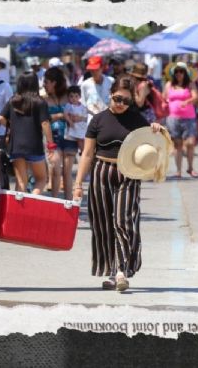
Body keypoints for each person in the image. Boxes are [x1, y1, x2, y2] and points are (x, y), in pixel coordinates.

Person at [72, 76, 163, 291]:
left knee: (123, 220)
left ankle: (122, 270)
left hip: (128, 173)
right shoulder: (97, 120)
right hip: (101, 171)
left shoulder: (138, 120)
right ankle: (112, 272)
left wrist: (156, 130)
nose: (121, 104)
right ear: (110, 95)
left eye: (127, 101)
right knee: (103, 223)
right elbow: (86, 154)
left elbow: (154, 146)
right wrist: (77, 185)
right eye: (118, 98)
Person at [0, 72, 56, 194]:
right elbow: (45, 123)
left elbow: (0, 118)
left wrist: (11, 127)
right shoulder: (40, 102)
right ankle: (32, 203)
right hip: (34, 146)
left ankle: (18, 211)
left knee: (21, 182)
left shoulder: (13, 100)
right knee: (41, 179)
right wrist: (51, 145)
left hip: (16, 146)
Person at [43, 67, 78, 199]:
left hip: (70, 137)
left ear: (54, 83)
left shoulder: (69, 97)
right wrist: (59, 115)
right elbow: (44, 120)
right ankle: (55, 202)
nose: (44, 85)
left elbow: (79, 110)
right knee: (56, 170)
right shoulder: (44, 100)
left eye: (46, 82)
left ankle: (69, 203)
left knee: (67, 172)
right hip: (54, 138)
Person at [165, 62, 198, 178]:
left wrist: (187, 101)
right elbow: (163, 98)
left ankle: (190, 168)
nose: (179, 74)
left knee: (190, 143)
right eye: (177, 72)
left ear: (186, 73)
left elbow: (196, 97)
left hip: (188, 118)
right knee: (177, 145)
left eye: (182, 72)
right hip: (173, 118)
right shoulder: (169, 84)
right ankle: (178, 171)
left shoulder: (190, 84)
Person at [63, 85, 88, 153]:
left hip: (82, 125)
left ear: (80, 97)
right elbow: (65, 114)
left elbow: (86, 113)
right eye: (71, 96)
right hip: (75, 126)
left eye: (76, 96)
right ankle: (83, 152)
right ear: (68, 97)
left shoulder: (81, 105)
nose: (74, 98)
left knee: (84, 138)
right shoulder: (69, 105)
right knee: (79, 139)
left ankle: (85, 151)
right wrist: (70, 121)